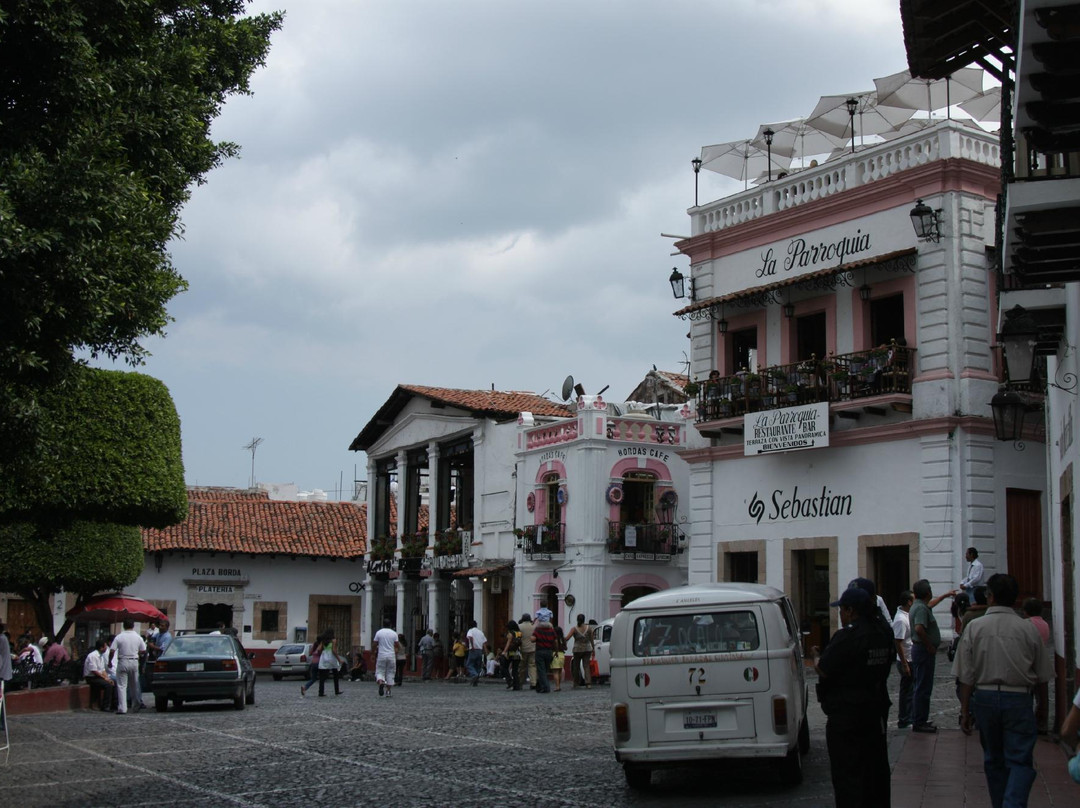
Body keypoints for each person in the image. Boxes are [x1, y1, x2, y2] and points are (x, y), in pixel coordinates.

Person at [954, 573, 1052, 808]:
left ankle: (1003, 803)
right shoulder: (1028, 629)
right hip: (1018, 698)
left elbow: (966, 675)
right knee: (1019, 760)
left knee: (993, 759)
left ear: (991, 597)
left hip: (985, 696)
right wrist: (1043, 708)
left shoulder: (975, 627)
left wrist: (965, 710)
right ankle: (1013, 803)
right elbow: (1042, 676)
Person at [812, 587, 894, 808]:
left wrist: (816, 656)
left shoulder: (848, 635)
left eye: (842, 609)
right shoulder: (882, 632)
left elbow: (824, 669)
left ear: (850, 611)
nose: (840, 614)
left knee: (848, 775)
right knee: (873, 772)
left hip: (847, 714)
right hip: (874, 709)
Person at [909, 578, 953, 733]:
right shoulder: (921, 609)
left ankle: (919, 718)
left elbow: (931, 605)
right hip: (923, 650)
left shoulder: (919, 605)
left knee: (921, 685)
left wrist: (945, 595)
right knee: (923, 687)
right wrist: (929, 646)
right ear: (927, 592)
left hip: (921, 650)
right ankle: (919, 721)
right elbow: (919, 628)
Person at [1022, 597, 1052, 734]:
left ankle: (1028, 722)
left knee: (1027, 695)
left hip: (1028, 662)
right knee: (1042, 696)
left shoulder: (1026, 624)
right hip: (1043, 661)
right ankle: (1042, 723)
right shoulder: (1045, 624)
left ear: (1025, 611)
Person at [110, 619, 146, 714]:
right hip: (134, 661)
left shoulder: (119, 637)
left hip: (122, 661)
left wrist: (110, 661)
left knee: (122, 686)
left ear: (123, 626)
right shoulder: (138, 637)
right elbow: (143, 650)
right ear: (133, 626)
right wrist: (136, 653)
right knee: (135, 685)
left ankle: (122, 708)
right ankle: (136, 705)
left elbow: (112, 650)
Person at [892, 590, 915, 729]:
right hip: (906, 659)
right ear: (909, 602)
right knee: (907, 691)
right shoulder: (901, 619)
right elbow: (898, 642)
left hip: (910, 658)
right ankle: (904, 719)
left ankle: (909, 717)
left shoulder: (907, 615)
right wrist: (905, 663)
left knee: (910, 690)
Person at [83, 638, 116, 711]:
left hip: (97, 676)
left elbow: (103, 670)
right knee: (108, 685)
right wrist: (105, 679)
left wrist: (107, 678)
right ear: (101, 648)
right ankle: (106, 706)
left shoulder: (101, 656)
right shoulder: (93, 656)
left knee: (113, 682)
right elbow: (94, 670)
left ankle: (114, 704)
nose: (106, 648)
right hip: (91, 677)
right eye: (105, 647)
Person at [566, 614, 594, 688]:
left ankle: (576, 682)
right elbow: (591, 639)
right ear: (584, 620)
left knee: (576, 666)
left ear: (577, 620)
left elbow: (567, 638)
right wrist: (593, 648)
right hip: (587, 649)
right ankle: (588, 683)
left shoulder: (574, 629)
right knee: (586, 666)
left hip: (577, 649)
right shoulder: (589, 628)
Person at [532, 608, 556, 694]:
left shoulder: (538, 630)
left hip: (540, 651)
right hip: (549, 651)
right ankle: (540, 686)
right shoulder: (551, 630)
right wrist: (555, 651)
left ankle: (546, 687)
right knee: (545, 670)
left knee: (541, 671)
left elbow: (533, 639)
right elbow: (555, 641)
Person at [373, 618, 398, 697]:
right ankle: (388, 691)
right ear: (390, 625)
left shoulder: (379, 633)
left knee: (380, 671)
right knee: (390, 672)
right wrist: (395, 653)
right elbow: (396, 645)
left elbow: (374, 644)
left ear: (382, 624)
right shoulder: (394, 633)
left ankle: (381, 682)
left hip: (381, 655)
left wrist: (373, 653)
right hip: (391, 655)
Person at [317, 629, 343, 697]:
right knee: (335, 674)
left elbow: (318, 649)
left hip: (324, 657)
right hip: (331, 658)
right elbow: (334, 651)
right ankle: (336, 690)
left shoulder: (323, 641)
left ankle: (321, 692)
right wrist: (339, 659)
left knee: (322, 677)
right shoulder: (333, 640)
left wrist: (322, 653)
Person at [500, 620, 522, 690]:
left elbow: (508, 643)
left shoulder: (510, 633)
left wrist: (504, 652)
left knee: (504, 667)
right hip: (518, 653)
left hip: (511, 653)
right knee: (515, 670)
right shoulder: (519, 633)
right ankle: (517, 685)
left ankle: (510, 681)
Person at [465, 620, 487, 687]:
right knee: (478, 665)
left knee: (469, 664)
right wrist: (485, 651)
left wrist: (472, 645)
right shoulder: (481, 632)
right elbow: (484, 642)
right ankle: (475, 681)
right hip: (480, 650)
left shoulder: (471, 631)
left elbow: (470, 637)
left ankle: (474, 675)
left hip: (473, 649)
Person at [518, 613, 536, 689]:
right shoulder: (534, 626)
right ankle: (533, 682)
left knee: (522, 667)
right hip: (533, 648)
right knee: (532, 666)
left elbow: (518, 637)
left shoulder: (519, 627)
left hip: (523, 649)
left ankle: (520, 682)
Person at [550, 621, 565, 692]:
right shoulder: (563, 639)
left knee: (555, 672)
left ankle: (557, 686)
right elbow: (566, 647)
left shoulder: (554, 639)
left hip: (555, 654)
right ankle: (559, 685)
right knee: (559, 671)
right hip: (562, 655)